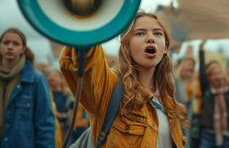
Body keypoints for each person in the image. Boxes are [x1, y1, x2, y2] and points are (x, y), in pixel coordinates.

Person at [60, 12, 187, 147]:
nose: (151, 38)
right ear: (126, 45)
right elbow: (87, 61)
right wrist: (87, 16)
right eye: (140, 33)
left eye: (157, 33)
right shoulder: (110, 88)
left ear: (166, 48)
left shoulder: (169, 103)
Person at [0, 28, 55, 148]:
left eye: (15, 44)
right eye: (6, 42)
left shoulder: (36, 80)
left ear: (23, 49)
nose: (10, 47)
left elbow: (45, 124)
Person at [195, 41, 229, 148]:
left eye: (218, 72)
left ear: (223, 73)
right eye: (212, 74)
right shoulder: (207, 90)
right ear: (208, 77)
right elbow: (202, 71)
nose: (216, 76)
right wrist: (201, 50)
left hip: (226, 136)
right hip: (208, 135)